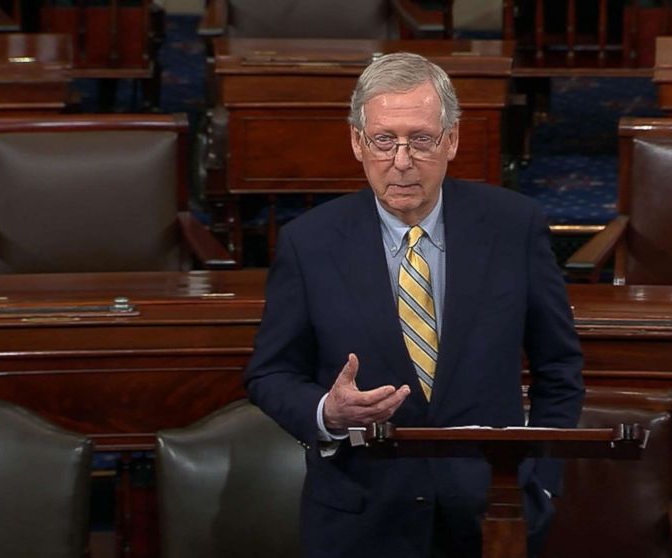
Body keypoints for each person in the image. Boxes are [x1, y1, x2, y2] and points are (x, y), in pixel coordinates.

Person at [245, 51, 584, 558]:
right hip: (361, 520)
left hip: (491, 516)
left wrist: (541, 482)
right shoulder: (308, 243)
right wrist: (327, 412)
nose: (402, 161)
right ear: (358, 142)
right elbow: (270, 375)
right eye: (384, 140)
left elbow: (559, 367)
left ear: (452, 140)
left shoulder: (514, 227)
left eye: (421, 140)